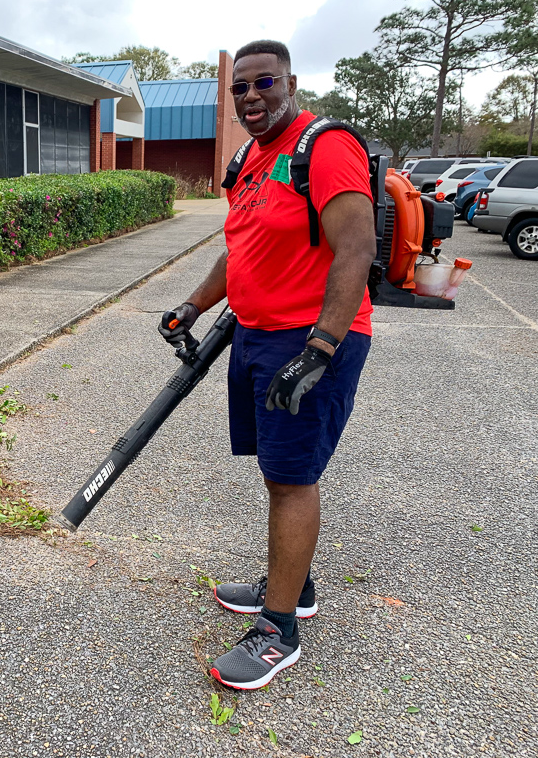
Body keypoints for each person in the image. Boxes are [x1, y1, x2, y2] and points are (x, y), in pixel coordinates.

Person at [159, 40, 375, 690]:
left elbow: (356, 246)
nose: (252, 96)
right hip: (254, 336)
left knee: (292, 479)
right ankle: (293, 585)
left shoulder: (325, 146)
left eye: (265, 83)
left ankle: (279, 629)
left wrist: (321, 349)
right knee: (277, 471)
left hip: (308, 341)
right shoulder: (250, 159)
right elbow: (242, 246)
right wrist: (193, 306)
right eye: (241, 88)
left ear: (291, 83)